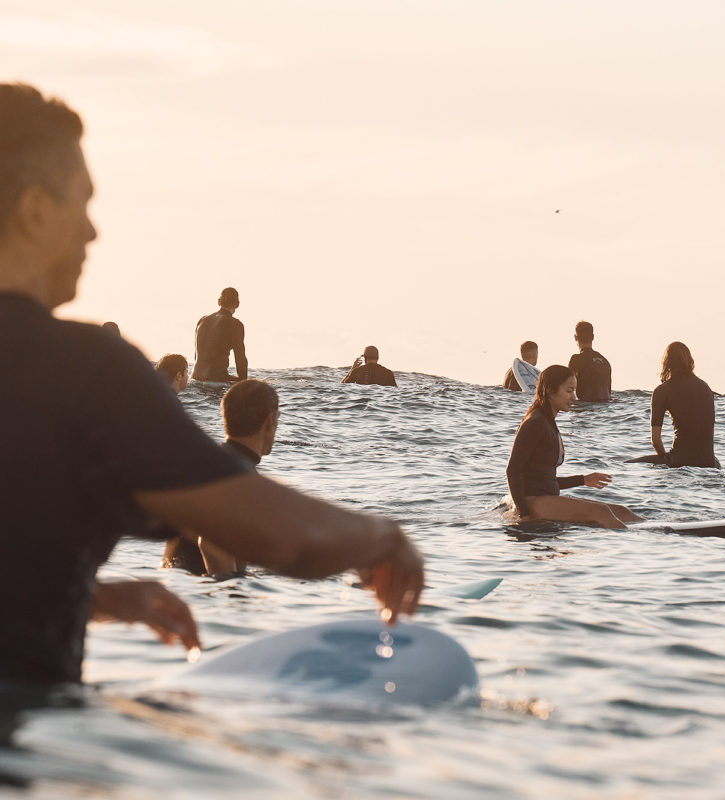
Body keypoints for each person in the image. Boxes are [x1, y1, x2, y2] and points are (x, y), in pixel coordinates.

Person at [0, 83, 422, 691]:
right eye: (82, 205)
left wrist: (96, 598)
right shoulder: (82, 369)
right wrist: (383, 537)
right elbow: (283, 537)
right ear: (35, 212)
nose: (92, 232)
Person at [162, 380, 279, 578]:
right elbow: (211, 544)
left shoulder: (206, 463)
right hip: (201, 593)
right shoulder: (239, 475)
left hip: (173, 580)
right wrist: (230, 594)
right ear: (270, 421)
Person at [505, 365, 641, 529]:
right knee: (601, 512)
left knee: (622, 512)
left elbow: (546, 481)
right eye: (569, 391)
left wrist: (583, 480)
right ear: (550, 391)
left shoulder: (548, 421)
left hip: (545, 498)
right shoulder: (536, 422)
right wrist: (524, 514)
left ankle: (657, 531)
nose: (574, 398)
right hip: (531, 502)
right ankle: (636, 547)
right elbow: (512, 470)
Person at [627, 342, 719, 468]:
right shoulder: (705, 388)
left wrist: (665, 458)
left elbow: (656, 441)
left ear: (667, 363)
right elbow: (709, 434)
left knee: (626, 463)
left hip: (680, 461)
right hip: (709, 462)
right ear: (690, 361)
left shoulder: (662, 391)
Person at [193, 286, 247, 382]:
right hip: (216, 380)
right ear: (237, 304)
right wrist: (245, 384)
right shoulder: (235, 324)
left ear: (219, 301)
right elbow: (240, 358)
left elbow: (196, 355)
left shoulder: (202, 320)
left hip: (195, 377)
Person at [568, 320, 612, 402]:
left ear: (575, 337)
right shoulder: (605, 361)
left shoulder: (576, 359)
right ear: (593, 337)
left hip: (585, 406)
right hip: (606, 407)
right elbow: (609, 392)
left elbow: (567, 388)